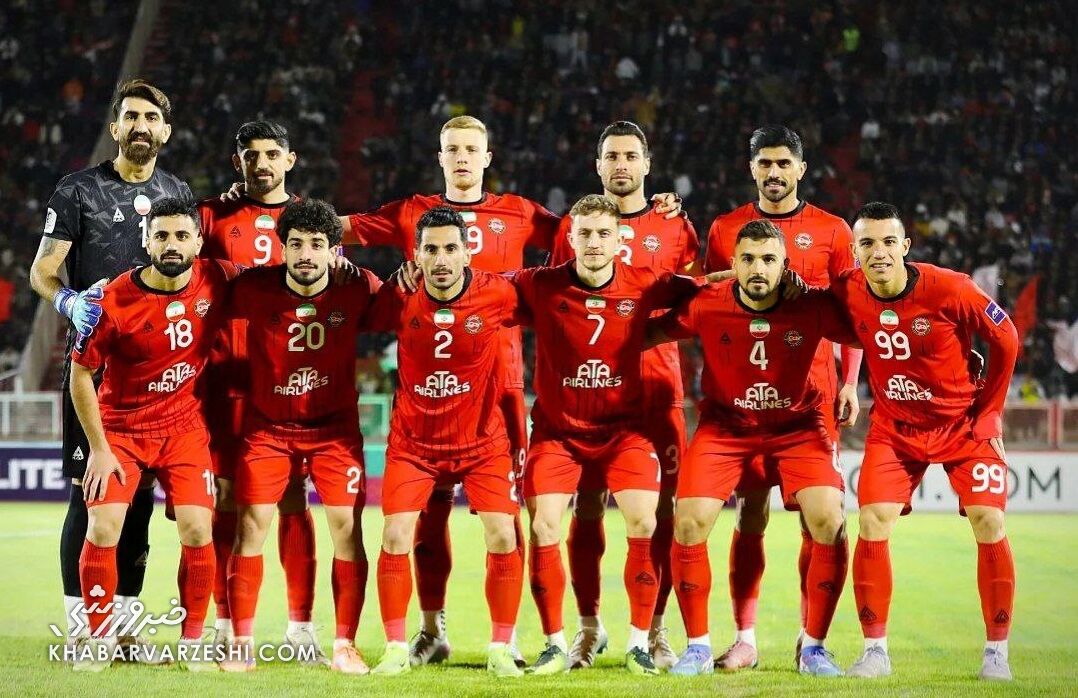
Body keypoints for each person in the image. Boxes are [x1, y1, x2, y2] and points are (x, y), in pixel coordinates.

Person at [340, 114, 682, 666]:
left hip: (503, 393)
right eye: (452, 149)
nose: (462, 158)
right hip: (435, 392)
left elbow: (589, 233)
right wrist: (265, 211)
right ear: (440, 156)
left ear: (487, 157)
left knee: (514, 520)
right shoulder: (411, 213)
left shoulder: (522, 213)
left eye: (471, 149)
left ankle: (513, 637)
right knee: (426, 517)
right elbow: (336, 232)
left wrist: (652, 209)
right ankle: (431, 627)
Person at [648, 219, 856, 677]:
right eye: (747, 259)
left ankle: (815, 648)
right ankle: (698, 649)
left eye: (768, 259)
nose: (757, 268)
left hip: (799, 427)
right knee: (689, 521)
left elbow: (871, 330)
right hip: (727, 428)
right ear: (733, 264)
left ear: (786, 265)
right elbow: (646, 330)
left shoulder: (811, 305)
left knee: (828, 518)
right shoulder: (708, 302)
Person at [28, 79, 191, 661]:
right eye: (131, 117)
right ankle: (82, 628)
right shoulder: (79, 190)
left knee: (139, 498)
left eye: (152, 117)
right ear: (116, 127)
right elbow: (42, 270)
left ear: (165, 130)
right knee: (89, 493)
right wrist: (68, 300)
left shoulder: (177, 192)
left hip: (155, 376)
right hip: (94, 372)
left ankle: (123, 628)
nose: (141, 126)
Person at [514, 194, 701, 676]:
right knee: (543, 527)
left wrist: (660, 332)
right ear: (570, 239)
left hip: (624, 433)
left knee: (645, 520)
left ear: (620, 241)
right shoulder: (540, 283)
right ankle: (557, 643)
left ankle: (639, 642)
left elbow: (703, 290)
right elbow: (481, 287)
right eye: (585, 233)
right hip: (558, 434)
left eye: (603, 234)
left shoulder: (646, 281)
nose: (594, 242)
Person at [833, 202, 1019, 681]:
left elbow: (1007, 337)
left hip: (962, 425)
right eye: (867, 243)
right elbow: (815, 313)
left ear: (905, 246)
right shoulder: (848, 289)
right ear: (855, 250)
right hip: (895, 429)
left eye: (887, 242)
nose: (878, 252)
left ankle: (996, 654)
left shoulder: (951, 287)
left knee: (989, 519)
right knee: (872, 520)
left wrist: (990, 414)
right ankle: (875, 653)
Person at [703, 125, 863, 669]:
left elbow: (849, 314)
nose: (774, 173)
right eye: (765, 164)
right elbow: (712, 306)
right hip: (744, 403)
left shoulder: (833, 230)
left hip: (810, 401)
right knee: (750, 511)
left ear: (800, 169)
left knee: (817, 516)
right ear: (752, 168)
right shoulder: (725, 229)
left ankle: (808, 640)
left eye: (783, 163)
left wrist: (849, 381)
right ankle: (744, 639)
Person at [69, 197, 236, 671]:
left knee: (198, 528)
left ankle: (193, 642)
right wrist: (99, 450)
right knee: (103, 526)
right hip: (121, 430)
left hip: (183, 428)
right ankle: (98, 639)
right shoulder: (112, 300)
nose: (171, 244)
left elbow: (275, 281)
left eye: (182, 235)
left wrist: (336, 262)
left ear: (198, 242)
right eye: (161, 235)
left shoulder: (219, 278)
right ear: (146, 240)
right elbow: (81, 375)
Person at [221, 199, 380, 674]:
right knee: (251, 527)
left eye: (316, 244)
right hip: (267, 430)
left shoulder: (358, 286)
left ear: (334, 250)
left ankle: (345, 645)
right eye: (296, 244)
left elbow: (406, 306)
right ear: (282, 248)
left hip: (334, 432)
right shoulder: (252, 287)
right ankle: (240, 643)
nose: (306, 254)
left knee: (347, 530)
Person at [367, 207, 526, 678]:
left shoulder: (497, 293)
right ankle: (396, 647)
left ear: (468, 252)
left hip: (481, 443)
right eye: (431, 249)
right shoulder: (397, 297)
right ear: (416, 255)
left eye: (450, 248)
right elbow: (348, 315)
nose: (441, 259)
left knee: (503, 534)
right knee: (395, 535)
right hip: (414, 445)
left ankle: (501, 647)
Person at [197, 120, 323, 661]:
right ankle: (227, 625)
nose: (262, 163)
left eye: (272, 153)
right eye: (251, 155)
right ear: (238, 162)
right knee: (226, 498)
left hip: (287, 381)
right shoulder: (210, 216)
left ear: (290, 160)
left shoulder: (309, 221)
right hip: (225, 380)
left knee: (294, 497)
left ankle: (301, 628)